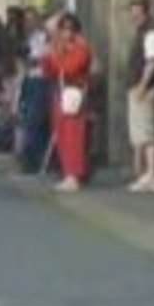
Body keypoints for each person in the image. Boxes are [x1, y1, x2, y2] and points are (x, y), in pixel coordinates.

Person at [42, 13, 93, 192]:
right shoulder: (60, 48)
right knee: (62, 135)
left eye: (70, 29)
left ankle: (74, 174)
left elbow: (70, 68)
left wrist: (56, 55)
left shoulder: (81, 49)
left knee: (74, 136)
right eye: (63, 29)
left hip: (74, 94)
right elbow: (48, 70)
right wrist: (50, 55)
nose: (66, 33)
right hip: (60, 93)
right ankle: (67, 172)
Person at [126, 0, 154, 193]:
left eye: (138, 12)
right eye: (132, 12)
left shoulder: (151, 33)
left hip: (145, 88)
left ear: (146, 12)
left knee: (146, 132)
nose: (134, 16)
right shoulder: (143, 32)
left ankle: (151, 174)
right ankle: (144, 173)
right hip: (139, 87)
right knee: (140, 131)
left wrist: (142, 85)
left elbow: (152, 61)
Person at [18, 7, 52, 173]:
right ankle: (31, 159)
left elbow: (44, 58)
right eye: (26, 20)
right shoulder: (28, 38)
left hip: (41, 81)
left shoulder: (45, 37)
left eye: (32, 19)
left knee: (35, 120)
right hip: (30, 80)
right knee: (29, 120)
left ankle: (35, 160)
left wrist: (33, 60)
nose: (29, 23)